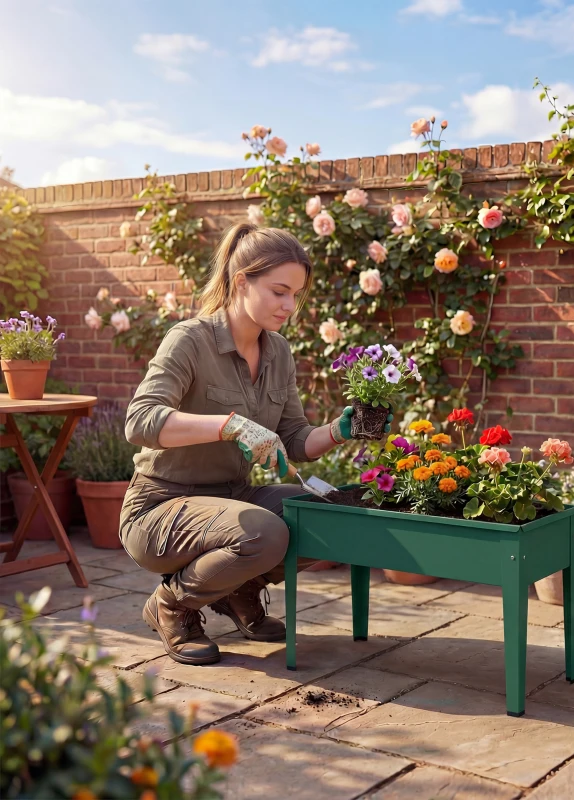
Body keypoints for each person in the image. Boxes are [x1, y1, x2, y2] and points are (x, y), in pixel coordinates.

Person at [120, 223, 391, 666]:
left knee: (334, 513)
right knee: (264, 531)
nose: (289, 306)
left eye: (295, 295)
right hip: (160, 507)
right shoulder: (190, 339)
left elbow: (296, 440)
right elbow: (140, 420)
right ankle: (172, 604)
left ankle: (239, 588)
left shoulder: (278, 352)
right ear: (242, 280)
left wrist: (343, 430)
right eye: (279, 291)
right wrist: (229, 426)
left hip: (232, 497)